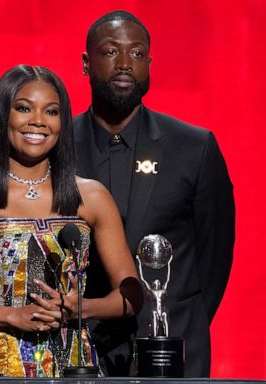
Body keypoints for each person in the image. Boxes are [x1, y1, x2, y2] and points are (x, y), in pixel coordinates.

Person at [0, 64, 142, 378]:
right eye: (24, 108)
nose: (38, 121)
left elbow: (132, 296)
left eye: (51, 111)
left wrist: (80, 308)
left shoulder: (91, 197)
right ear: (2, 115)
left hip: (76, 370)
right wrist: (10, 316)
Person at [73, 10, 235, 377]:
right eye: (111, 52)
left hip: (173, 347)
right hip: (78, 352)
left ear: (149, 62)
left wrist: (177, 320)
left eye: (137, 53)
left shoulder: (193, 148)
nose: (126, 63)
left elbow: (214, 256)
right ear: (86, 63)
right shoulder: (59, 146)